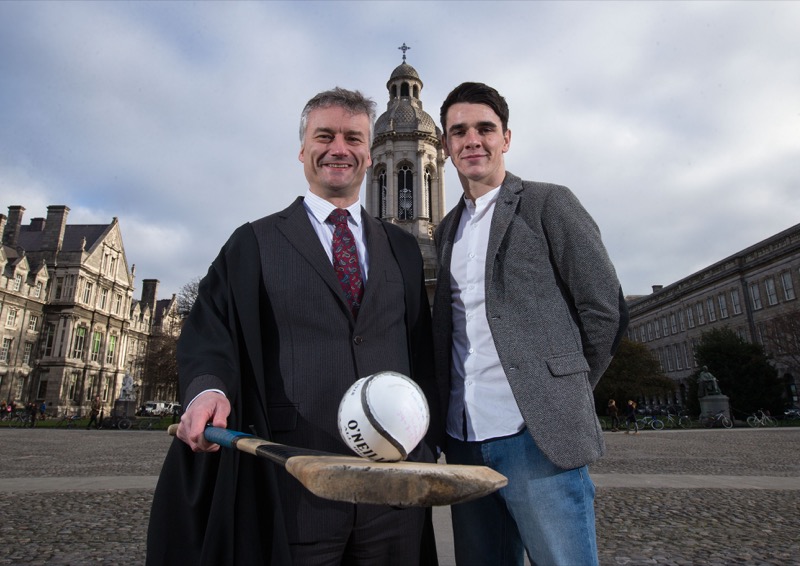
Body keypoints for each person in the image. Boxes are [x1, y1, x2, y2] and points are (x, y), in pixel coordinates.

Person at [147, 87, 440, 566]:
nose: (338, 148)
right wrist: (208, 391)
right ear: (302, 150)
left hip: (392, 492)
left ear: (368, 154)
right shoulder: (254, 242)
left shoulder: (403, 250)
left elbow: (423, 353)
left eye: (352, 138)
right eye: (324, 136)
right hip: (295, 489)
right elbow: (211, 329)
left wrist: (427, 445)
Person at [432, 82, 628, 566]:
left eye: (484, 128)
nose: (472, 140)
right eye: (459, 131)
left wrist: (561, 387)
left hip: (535, 440)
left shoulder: (548, 203)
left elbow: (605, 310)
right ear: (445, 147)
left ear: (506, 138)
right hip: (464, 442)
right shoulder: (445, 231)